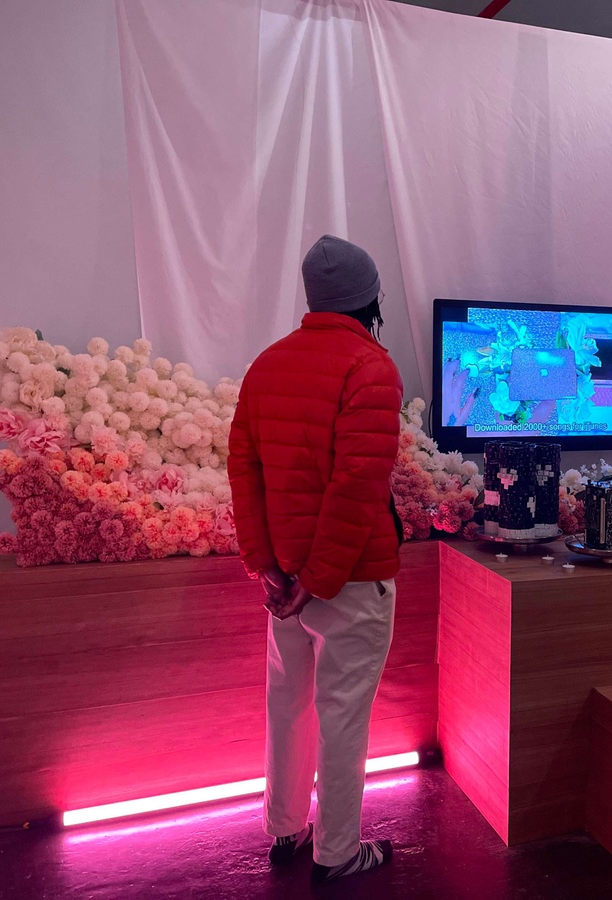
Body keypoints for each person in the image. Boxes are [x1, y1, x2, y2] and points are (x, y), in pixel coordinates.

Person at [228, 235, 404, 885]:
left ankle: (285, 828)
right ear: (370, 300)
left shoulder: (267, 365)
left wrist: (267, 567)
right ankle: (338, 853)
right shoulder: (370, 368)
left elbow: (243, 468)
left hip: (287, 580)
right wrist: (319, 580)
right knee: (342, 716)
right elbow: (357, 486)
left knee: (288, 704)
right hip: (349, 579)